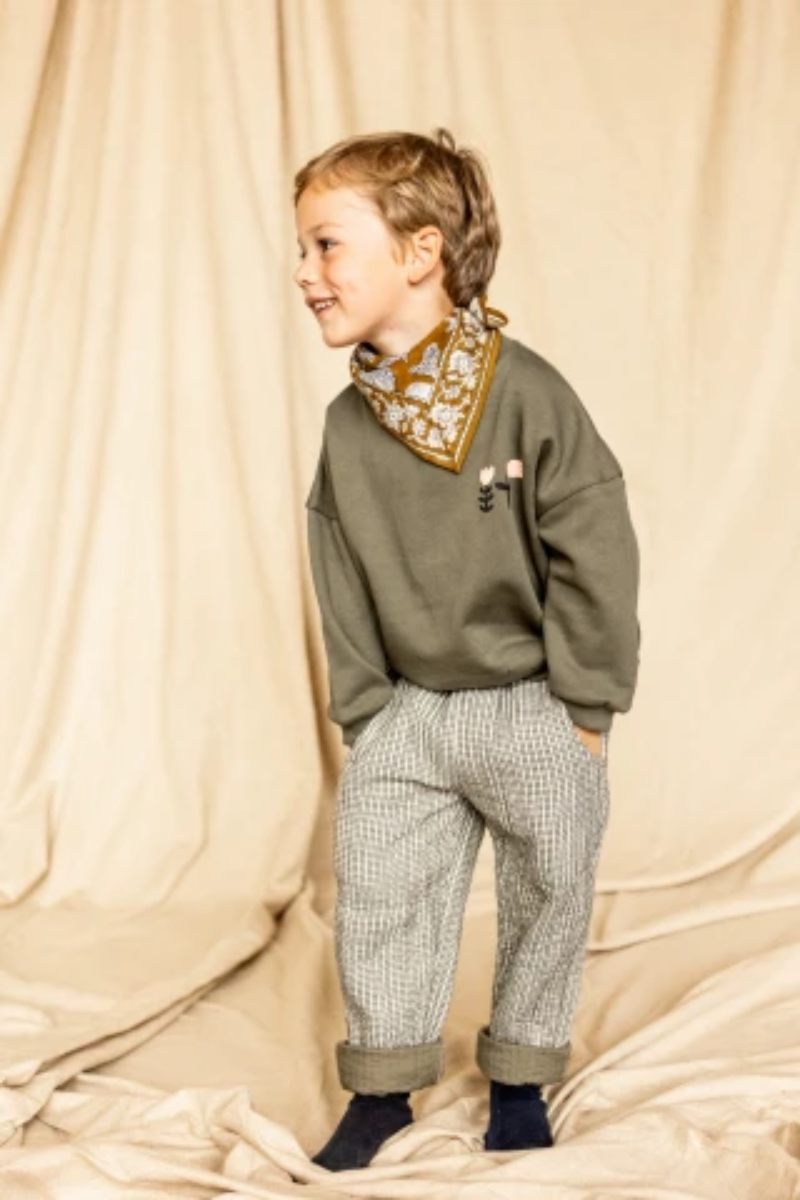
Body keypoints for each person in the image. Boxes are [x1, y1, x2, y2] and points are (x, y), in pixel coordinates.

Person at [295, 128, 641, 1172]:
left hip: (531, 698)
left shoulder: (526, 392)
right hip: (408, 710)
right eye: (302, 250)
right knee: (380, 887)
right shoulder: (346, 427)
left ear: (421, 252)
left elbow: (592, 542)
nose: (305, 273)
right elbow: (337, 567)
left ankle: (521, 1078)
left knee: (549, 882)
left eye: (326, 245)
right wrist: (367, 713)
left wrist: (584, 708)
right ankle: (381, 1087)